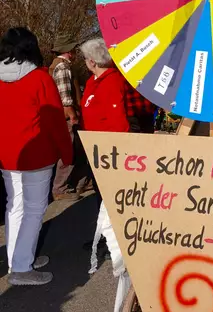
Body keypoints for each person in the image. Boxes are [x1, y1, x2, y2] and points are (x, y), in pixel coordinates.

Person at [0, 28, 73, 286]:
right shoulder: (40, 79)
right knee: (33, 210)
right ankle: (21, 267)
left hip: (7, 155)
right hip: (36, 156)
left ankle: (18, 258)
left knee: (14, 206)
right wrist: (67, 153)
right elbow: (55, 122)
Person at [80, 38, 155, 275]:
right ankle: (108, 236)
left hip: (110, 149)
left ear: (93, 61)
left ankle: (121, 240)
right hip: (97, 147)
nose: (85, 62)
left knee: (115, 195)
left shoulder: (112, 81)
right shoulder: (94, 81)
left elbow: (118, 122)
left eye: (86, 58)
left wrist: (118, 154)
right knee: (103, 195)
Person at [49, 32, 89, 201]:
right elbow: (65, 97)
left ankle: (75, 183)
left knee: (74, 150)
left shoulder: (59, 66)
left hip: (64, 115)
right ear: (68, 51)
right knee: (69, 151)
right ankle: (60, 188)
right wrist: (73, 116)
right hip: (66, 116)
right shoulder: (63, 67)